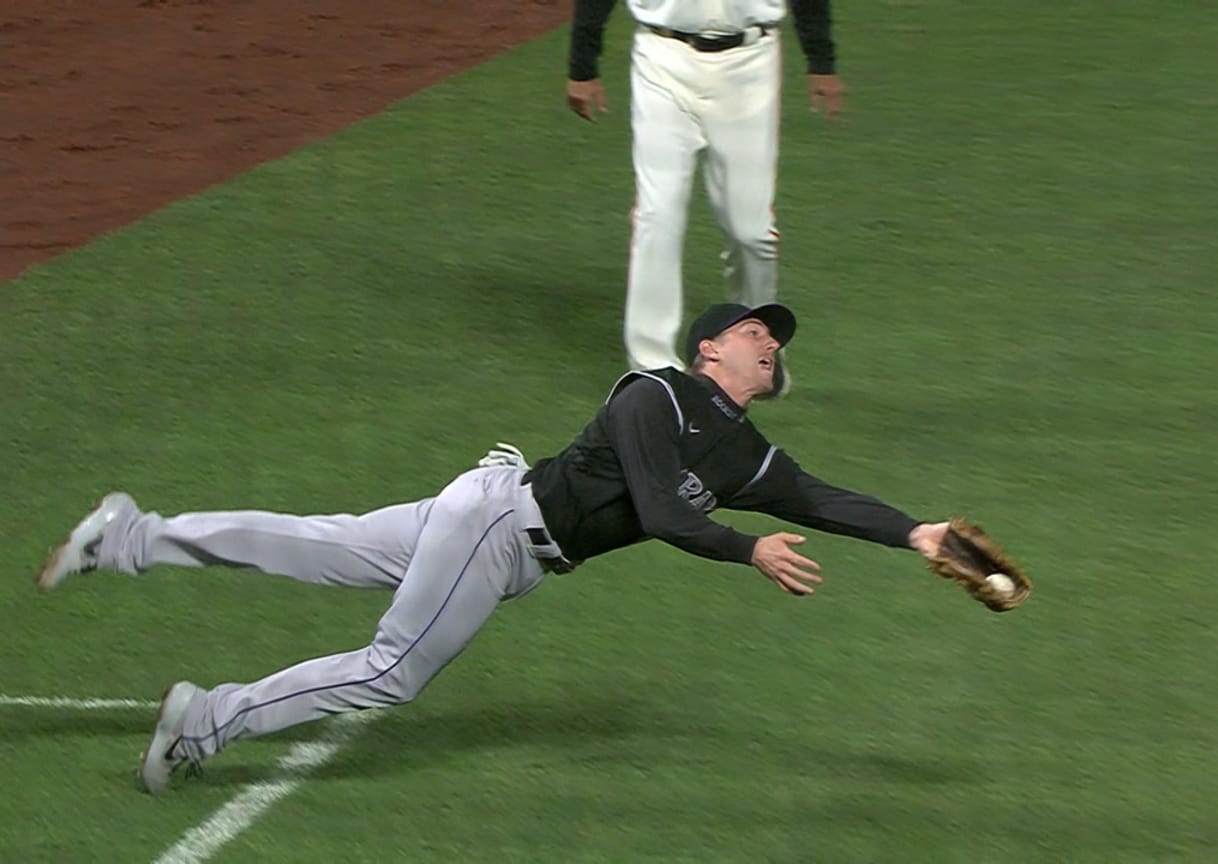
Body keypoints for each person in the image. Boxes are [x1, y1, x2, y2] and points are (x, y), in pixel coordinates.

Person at [34, 302, 952, 794]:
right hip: (497, 527)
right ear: (711, 349)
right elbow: (669, 518)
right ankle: (208, 719)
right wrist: (746, 551)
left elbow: (824, 499)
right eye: (757, 333)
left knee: (315, 545)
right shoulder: (656, 396)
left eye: (776, 342)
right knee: (390, 671)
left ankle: (131, 536)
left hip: (497, 524)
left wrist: (918, 532)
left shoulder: (746, 454)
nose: (771, 346)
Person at [565, 0, 845, 393]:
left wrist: (821, 60)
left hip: (750, 66)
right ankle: (651, 369)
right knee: (657, 216)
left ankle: (757, 350)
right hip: (662, 59)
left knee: (752, 231)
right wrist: (582, 63)